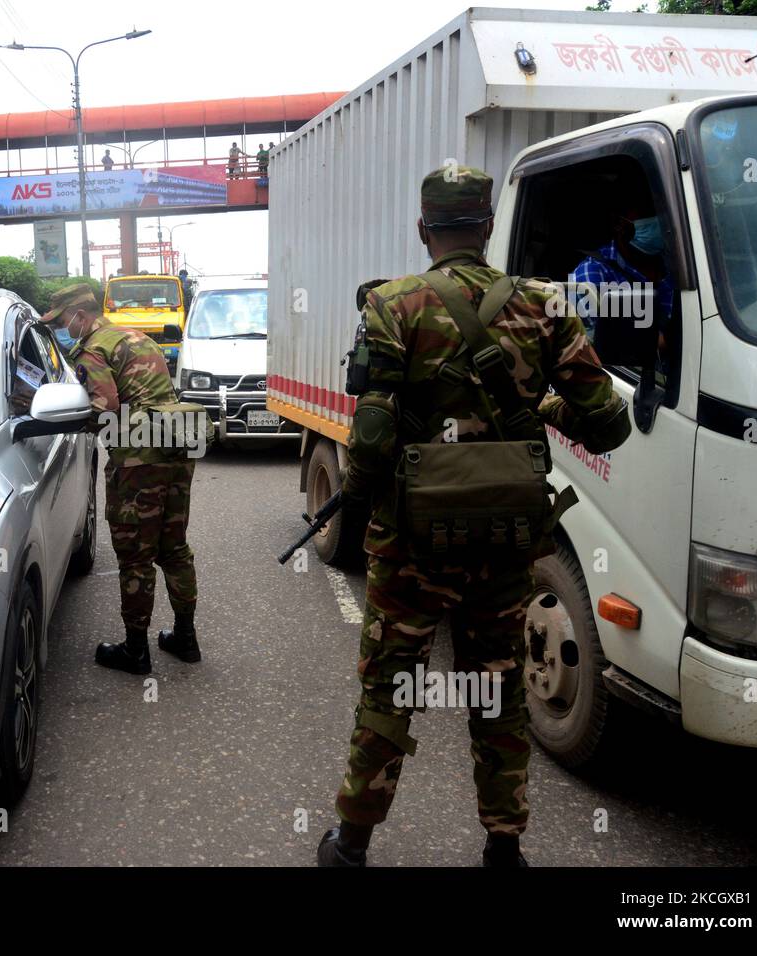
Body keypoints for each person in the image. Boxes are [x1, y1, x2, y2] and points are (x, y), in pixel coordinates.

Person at [317, 166, 632, 869]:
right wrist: (542, 410)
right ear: (488, 226)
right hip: (506, 538)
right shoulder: (547, 305)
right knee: (495, 685)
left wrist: (362, 500)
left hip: (412, 542)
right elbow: (606, 426)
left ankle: (352, 843)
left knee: (392, 683)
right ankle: (503, 846)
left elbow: (370, 435)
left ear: (423, 229)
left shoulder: (390, 306)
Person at [41, 284, 202, 675]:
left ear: (79, 314)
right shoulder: (135, 336)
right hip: (178, 444)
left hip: (138, 458)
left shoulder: (93, 348)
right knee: (174, 548)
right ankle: (185, 638)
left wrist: (76, 422)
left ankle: (135, 650)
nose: (64, 327)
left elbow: (106, 406)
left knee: (135, 556)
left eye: (64, 320)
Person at [568, 184, 675, 343]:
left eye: (659, 211)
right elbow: (599, 350)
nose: (656, 220)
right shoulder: (591, 275)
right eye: (646, 214)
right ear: (618, 224)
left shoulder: (678, 262)